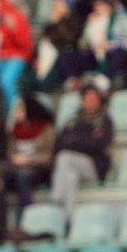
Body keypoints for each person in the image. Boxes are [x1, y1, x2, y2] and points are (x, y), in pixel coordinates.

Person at [50, 79, 114, 223]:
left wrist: (74, 142)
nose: (90, 101)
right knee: (70, 177)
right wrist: (80, 142)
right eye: (87, 97)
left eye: (94, 98)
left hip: (94, 166)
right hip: (73, 166)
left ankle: (56, 201)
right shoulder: (72, 120)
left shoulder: (104, 120)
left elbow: (99, 144)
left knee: (65, 157)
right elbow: (59, 144)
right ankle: (68, 220)